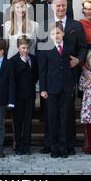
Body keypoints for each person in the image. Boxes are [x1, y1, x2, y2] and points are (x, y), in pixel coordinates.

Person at [41, 0, 86, 155]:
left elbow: (83, 47)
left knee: (67, 114)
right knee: (50, 114)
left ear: (67, 6)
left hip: (69, 75)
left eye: (63, 6)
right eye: (58, 6)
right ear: (52, 7)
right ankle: (50, 144)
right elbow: (41, 55)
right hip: (50, 78)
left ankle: (68, 145)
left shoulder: (76, 26)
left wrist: (78, 60)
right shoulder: (45, 26)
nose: (61, 8)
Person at [38, 22, 75, 158]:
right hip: (51, 89)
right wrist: (43, 89)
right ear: (50, 36)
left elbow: (72, 68)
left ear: (63, 34)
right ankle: (53, 146)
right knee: (52, 118)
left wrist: (72, 85)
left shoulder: (69, 48)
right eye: (53, 34)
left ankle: (63, 146)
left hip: (66, 88)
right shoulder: (45, 50)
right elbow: (42, 71)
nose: (56, 35)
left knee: (65, 118)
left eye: (58, 33)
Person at [10, 36, 38, 155]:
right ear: (18, 47)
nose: (25, 50)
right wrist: (24, 63)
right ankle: (19, 144)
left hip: (30, 95)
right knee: (18, 121)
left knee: (28, 121)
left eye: (27, 48)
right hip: (18, 96)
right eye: (23, 48)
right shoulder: (13, 61)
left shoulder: (33, 59)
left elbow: (36, 75)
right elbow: (12, 79)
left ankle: (27, 145)